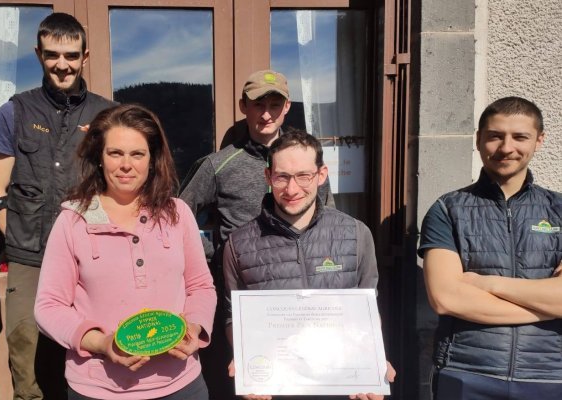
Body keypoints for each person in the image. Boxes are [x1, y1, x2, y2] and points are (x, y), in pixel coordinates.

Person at [34, 104, 217, 399]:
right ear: (99, 158)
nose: (126, 165)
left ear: (153, 160)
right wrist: (101, 343)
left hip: (181, 384)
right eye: (115, 153)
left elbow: (200, 286)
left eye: (137, 154)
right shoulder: (72, 220)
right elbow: (49, 306)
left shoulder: (178, 213)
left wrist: (194, 327)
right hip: (98, 388)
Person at [179, 69, 333, 397]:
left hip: (298, 293)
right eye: (257, 104)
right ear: (242, 106)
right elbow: (178, 217)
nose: (266, 113)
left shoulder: (308, 160)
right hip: (242, 297)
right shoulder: (218, 165)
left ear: (287, 106)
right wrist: (213, 253)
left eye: (274, 104)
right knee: (244, 383)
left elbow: (327, 220)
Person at [0, 12, 116, 399]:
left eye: (71, 55)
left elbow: (117, 184)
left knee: (90, 340)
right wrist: (19, 235)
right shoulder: (15, 112)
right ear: (38, 53)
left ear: (85, 56)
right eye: (53, 55)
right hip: (30, 253)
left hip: (90, 251)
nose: (62, 64)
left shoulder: (106, 114)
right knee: (25, 343)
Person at [223, 129, 393, 400]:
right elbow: (234, 317)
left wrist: (372, 358)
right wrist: (246, 359)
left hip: (342, 387)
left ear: (321, 175)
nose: (292, 189)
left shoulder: (356, 234)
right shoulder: (238, 244)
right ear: (268, 177)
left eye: (303, 176)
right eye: (282, 177)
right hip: (275, 389)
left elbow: (367, 310)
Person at [419, 96, 562, 399]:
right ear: (478, 139)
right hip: (467, 372)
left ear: (539, 140)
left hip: (550, 376)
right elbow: (447, 298)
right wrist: (547, 307)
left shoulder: (560, 210)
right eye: (495, 136)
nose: (506, 147)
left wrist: (485, 282)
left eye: (520, 136)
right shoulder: (447, 210)